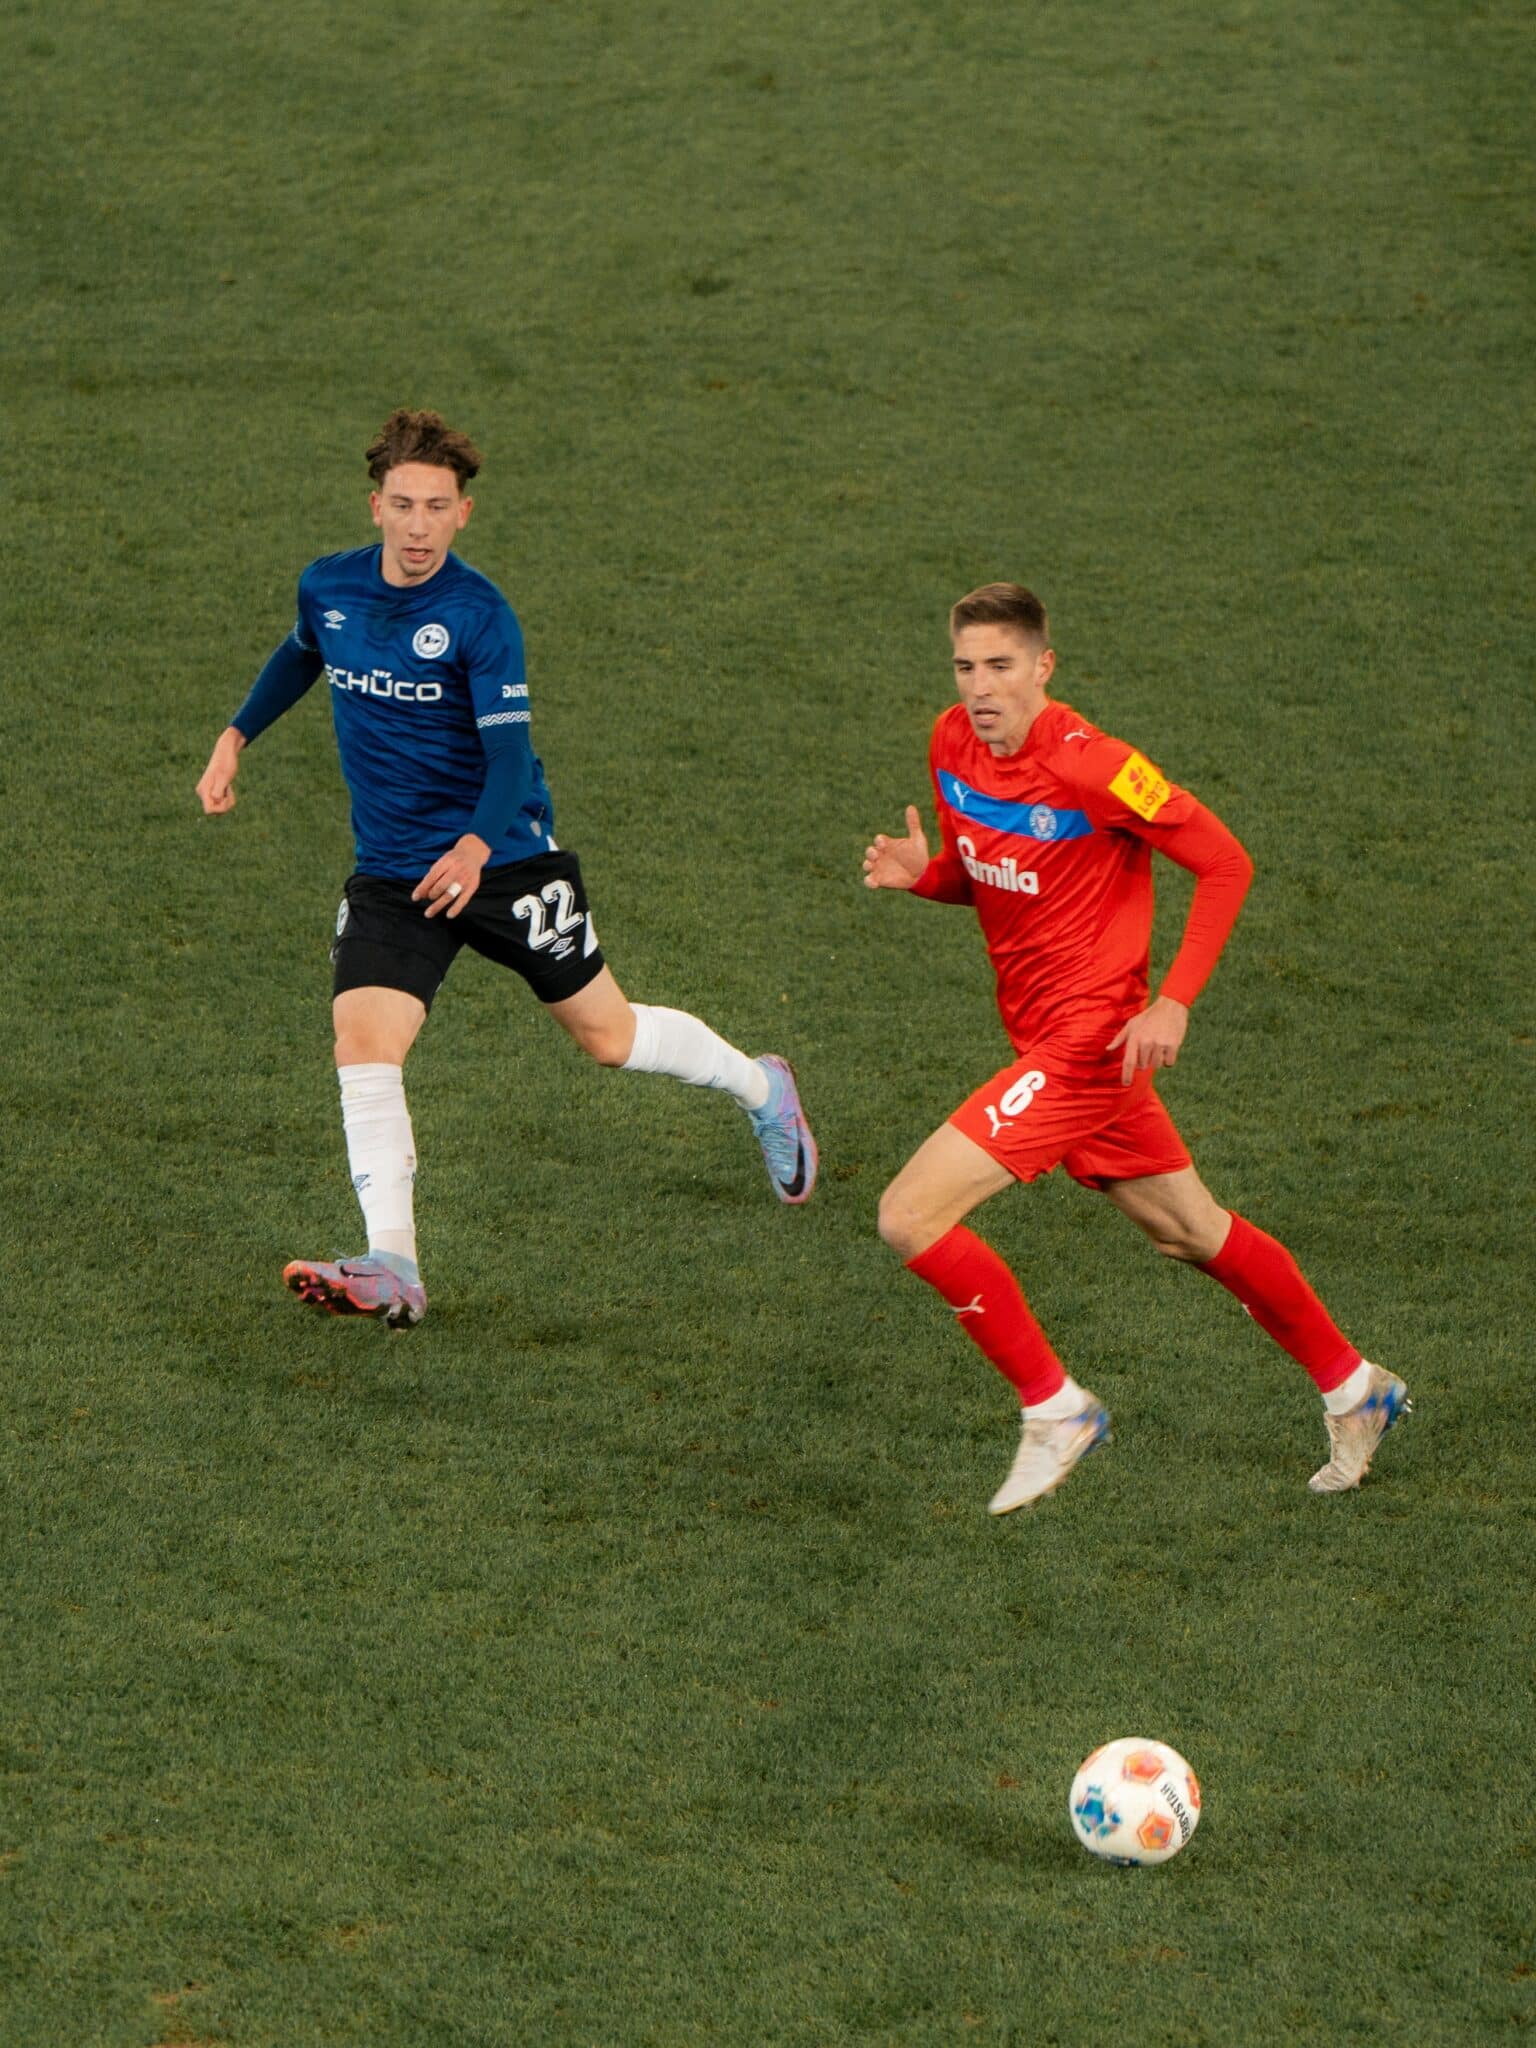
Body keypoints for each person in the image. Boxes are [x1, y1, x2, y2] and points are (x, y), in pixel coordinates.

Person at [196, 408, 816, 1328]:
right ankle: (393, 1263)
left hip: (506, 861)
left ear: (463, 513)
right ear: (375, 506)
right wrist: (236, 735)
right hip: (394, 872)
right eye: (402, 505)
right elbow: (300, 656)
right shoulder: (328, 587)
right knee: (363, 1044)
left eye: (435, 508)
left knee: (608, 1037)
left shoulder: (480, 616)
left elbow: (511, 758)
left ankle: (762, 1087)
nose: (417, 527)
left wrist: (476, 847)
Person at [863, 583, 1406, 1510]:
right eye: (965, 666)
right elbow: (992, 874)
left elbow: (1225, 861)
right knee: (1190, 1231)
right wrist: (928, 877)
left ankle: (1056, 1410)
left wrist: (1174, 1002)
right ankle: (1357, 1389)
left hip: (1087, 1043)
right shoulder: (952, 743)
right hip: (1051, 1039)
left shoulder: (1097, 767)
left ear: (1043, 665)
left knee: (909, 1216)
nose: (980, 686)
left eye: (1000, 665)